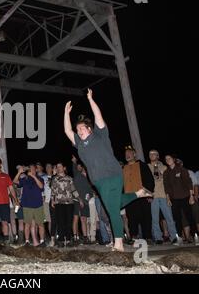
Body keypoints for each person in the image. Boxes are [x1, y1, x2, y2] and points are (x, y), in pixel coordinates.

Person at [64, 89, 152, 252]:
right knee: (115, 204)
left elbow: (98, 117)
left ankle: (118, 244)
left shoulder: (100, 135)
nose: (80, 132)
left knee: (112, 210)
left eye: (82, 129)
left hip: (112, 175)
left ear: (89, 129)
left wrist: (91, 99)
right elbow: (67, 131)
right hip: (98, 181)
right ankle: (138, 194)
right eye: (78, 130)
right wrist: (65, 113)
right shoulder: (80, 145)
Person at [122, 146, 155, 242]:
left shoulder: (142, 165)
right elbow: (121, 184)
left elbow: (150, 180)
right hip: (129, 197)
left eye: (129, 153)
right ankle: (134, 237)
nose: (127, 155)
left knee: (146, 217)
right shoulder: (124, 168)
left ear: (134, 154)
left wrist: (149, 194)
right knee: (131, 218)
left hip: (142, 195)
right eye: (126, 154)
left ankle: (148, 237)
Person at [147, 150, 179, 245]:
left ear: (158, 156)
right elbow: (145, 182)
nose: (152, 155)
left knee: (169, 217)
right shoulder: (147, 167)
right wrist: (148, 194)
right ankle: (158, 238)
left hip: (164, 195)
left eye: (154, 154)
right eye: (150, 154)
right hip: (153, 195)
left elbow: (169, 182)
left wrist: (169, 196)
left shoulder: (164, 167)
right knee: (155, 219)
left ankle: (174, 236)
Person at [163, 154, 195, 243]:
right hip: (174, 199)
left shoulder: (181, 169)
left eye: (169, 158)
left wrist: (191, 196)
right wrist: (168, 199)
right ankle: (180, 237)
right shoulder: (166, 172)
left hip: (185, 197)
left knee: (189, 217)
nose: (168, 160)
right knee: (177, 219)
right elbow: (166, 187)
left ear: (173, 159)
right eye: (166, 159)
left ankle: (193, 235)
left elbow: (189, 182)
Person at [50, 162, 82, 247]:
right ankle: (60, 240)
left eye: (60, 166)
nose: (59, 168)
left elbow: (73, 190)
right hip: (58, 203)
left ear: (64, 168)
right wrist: (52, 201)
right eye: (57, 167)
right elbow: (53, 191)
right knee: (60, 222)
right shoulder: (55, 179)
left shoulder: (69, 178)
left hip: (69, 203)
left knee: (68, 221)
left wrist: (79, 199)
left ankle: (68, 240)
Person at [14, 164, 46, 247]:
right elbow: (15, 181)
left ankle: (42, 241)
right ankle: (27, 241)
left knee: (40, 224)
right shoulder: (25, 179)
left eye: (33, 169)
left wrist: (34, 177)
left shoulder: (40, 178)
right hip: (27, 205)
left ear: (35, 170)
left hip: (38, 205)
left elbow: (41, 186)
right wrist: (19, 173)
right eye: (30, 169)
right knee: (27, 224)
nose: (31, 170)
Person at [71, 156, 94, 244]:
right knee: (76, 218)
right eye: (78, 166)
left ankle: (85, 237)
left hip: (85, 201)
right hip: (77, 200)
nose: (79, 167)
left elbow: (91, 190)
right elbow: (74, 166)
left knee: (84, 219)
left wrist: (88, 197)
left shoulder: (89, 177)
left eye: (81, 166)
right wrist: (74, 161)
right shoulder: (77, 174)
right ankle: (75, 237)